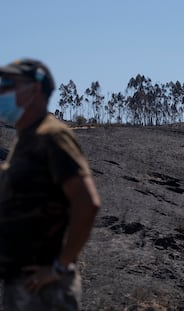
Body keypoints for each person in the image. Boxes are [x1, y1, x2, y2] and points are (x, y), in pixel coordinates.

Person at [0, 58, 101, 310]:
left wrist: (60, 266)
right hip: (21, 287)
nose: (1, 90)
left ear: (34, 89)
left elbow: (87, 204)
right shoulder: (25, 139)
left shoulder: (52, 135)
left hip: (46, 292)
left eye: (8, 84)